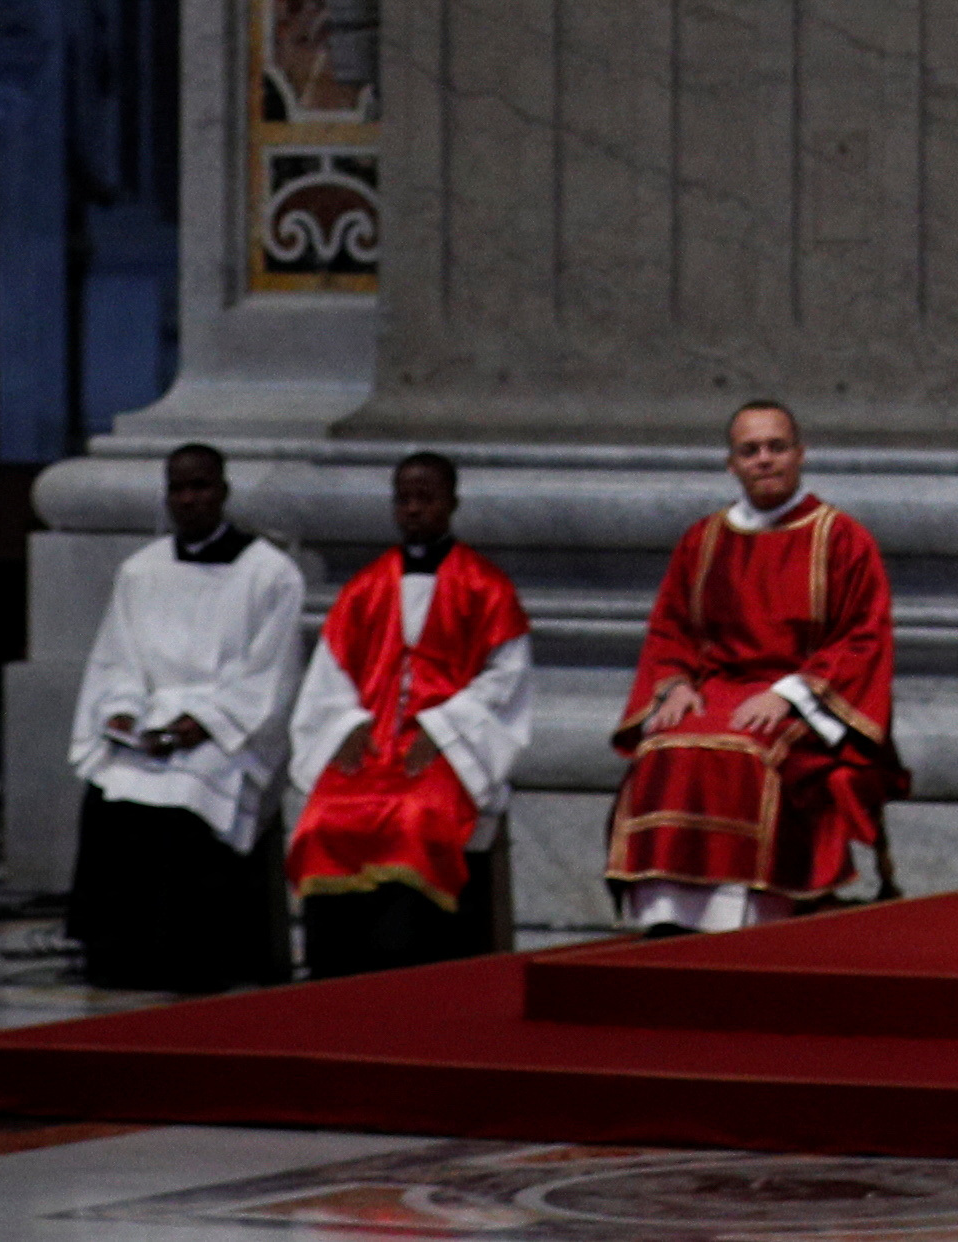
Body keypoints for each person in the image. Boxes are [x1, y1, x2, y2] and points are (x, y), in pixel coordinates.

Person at [605, 403, 906, 933]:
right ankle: (666, 917)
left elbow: (863, 636)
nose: (764, 460)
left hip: (800, 702)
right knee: (662, 746)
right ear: (731, 464)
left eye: (776, 447)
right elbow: (670, 628)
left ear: (799, 454)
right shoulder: (703, 541)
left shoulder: (838, 538)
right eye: (750, 451)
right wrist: (674, 684)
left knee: (749, 751)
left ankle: (747, 917)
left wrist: (791, 694)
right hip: (715, 690)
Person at [66, 443, 306, 991]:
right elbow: (118, 660)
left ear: (223, 491)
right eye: (178, 488)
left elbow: (270, 678)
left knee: (184, 800)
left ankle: (190, 958)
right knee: (109, 793)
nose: (189, 499)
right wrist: (123, 715)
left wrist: (199, 727)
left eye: (200, 486)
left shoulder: (270, 574)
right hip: (152, 726)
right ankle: (117, 958)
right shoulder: (140, 571)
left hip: (224, 731)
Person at [288, 451, 531, 972]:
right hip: (374, 741)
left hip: (449, 743)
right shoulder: (365, 588)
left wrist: (444, 728)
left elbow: (505, 678)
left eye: (426, 498)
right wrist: (348, 725)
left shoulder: (485, 586)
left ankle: (406, 960)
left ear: (452, 503)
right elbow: (330, 674)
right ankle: (336, 964)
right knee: (325, 815)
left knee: (415, 816)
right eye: (404, 499)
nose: (414, 510)